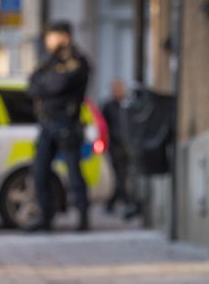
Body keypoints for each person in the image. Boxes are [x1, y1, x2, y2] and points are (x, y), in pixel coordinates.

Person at [25, 21, 92, 232]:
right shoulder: (48, 61)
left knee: (74, 173)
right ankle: (45, 217)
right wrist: (47, 84)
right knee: (40, 172)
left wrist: (46, 84)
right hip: (47, 123)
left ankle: (82, 218)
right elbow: (32, 86)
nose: (47, 41)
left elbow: (56, 85)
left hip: (66, 123)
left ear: (63, 37)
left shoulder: (76, 61)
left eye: (51, 36)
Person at [100, 78, 136, 218]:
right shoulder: (108, 106)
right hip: (115, 146)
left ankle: (115, 202)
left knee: (123, 176)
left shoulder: (128, 105)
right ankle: (126, 202)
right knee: (120, 176)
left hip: (127, 145)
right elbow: (104, 127)